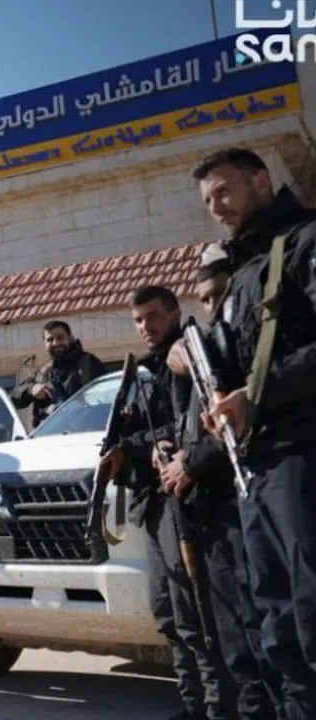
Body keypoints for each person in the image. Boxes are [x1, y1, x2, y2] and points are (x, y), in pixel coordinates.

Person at [191, 147, 316, 717]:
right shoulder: (245, 270)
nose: (215, 207)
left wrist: (257, 395)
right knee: (277, 617)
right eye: (207, 200)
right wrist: (220, 406)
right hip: (257, 465)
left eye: (223, 192)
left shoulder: (304, 244)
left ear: (261, 182)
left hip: (302, 451)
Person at [102, 286, 231, 718]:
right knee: (168, 615)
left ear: (175, 312)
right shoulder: (147, 372)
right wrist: (129, 449)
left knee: (196, 616)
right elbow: (146, 432)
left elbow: (197, 425)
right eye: (138, 320)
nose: (146, 327)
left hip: (192, 503)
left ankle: (214, 707)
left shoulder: (188, 358)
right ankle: (192, 702)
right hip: (155, 504)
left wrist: (158, 444)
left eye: (153, 316)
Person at [167, 261, 284, 719]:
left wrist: (190, 462)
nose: (215, 306)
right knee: (232, 640)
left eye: (221, 295)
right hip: (211, 513)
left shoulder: (252, 347)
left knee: (269, 639)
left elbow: (241, 425)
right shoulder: (205, 348)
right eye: (208, 298)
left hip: (252, 506)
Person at [10, 320, 109, 428]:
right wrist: (31, 390)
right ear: (45, 343)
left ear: (70, 338)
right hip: (50, 437)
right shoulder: (44, 373)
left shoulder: (90, 364)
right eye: (50, 340)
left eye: (60, 337)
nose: (55, 343)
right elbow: (13, 397)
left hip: (83, 433)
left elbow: (109, 398)